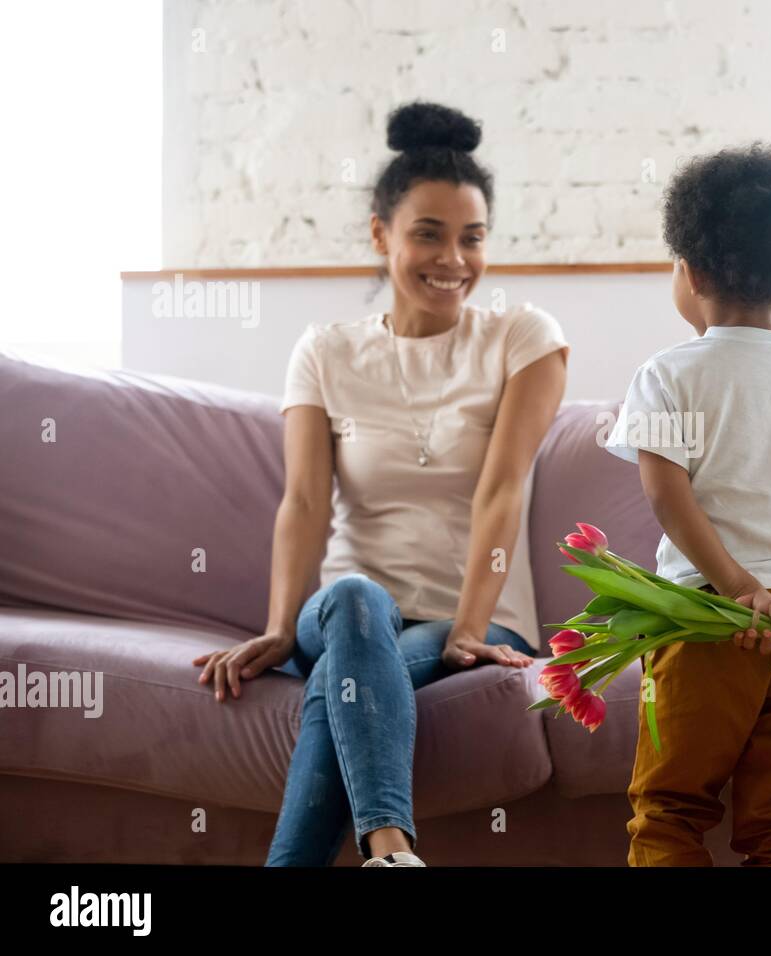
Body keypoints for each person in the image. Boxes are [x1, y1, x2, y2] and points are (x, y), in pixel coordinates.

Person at [192, 101, 570, 867]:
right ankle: (391, 848)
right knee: (357, 604)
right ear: (381, 235)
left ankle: (375, 852)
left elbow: (502, 492)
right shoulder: (326, 352)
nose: (452, 259)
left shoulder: (522, 338)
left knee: (343, 681)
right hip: (343, 612)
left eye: (472, 237)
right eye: (427, 234)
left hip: (475, 619)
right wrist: (276, 624)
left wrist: (469, 627)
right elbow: (302, 502)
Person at [604, 143, 771, 865]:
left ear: (689, 272)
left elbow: (667, 493)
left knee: (670, 811)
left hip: (709, 618)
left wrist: (737, 587)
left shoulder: (667, 374)